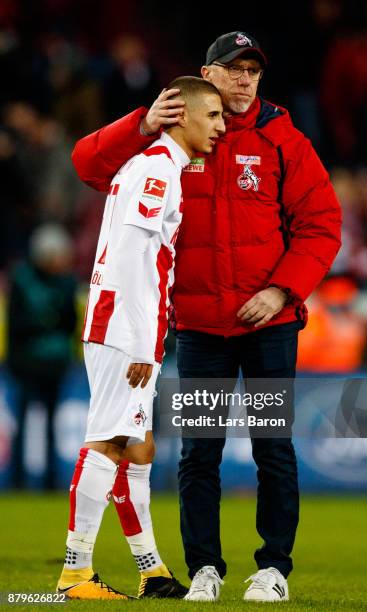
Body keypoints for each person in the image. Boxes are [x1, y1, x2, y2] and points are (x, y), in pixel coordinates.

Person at [71, 31, 342, 602]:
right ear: (206, 75)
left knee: (273, 445)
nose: (244, 81)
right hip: (198, 330)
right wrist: (139, 125)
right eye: (233, 69)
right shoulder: (173, 134)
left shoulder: (283, 140)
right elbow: (89, 167)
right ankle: (204, 568)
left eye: (253, 71)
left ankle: (273, 568)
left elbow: (322, 225)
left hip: (267, 326)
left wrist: (282, 290)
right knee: (199, 450)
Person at [56, 76, 225, 600]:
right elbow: (131, 258)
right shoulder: (156, 171)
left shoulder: (159, 166)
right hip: (123, 329)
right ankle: (75, 573)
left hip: (127, 327)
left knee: (138, 447)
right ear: (184, 115)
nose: (221, 126)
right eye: (214, 114)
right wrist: (137, 345)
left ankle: (151, 571)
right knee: (108, 440)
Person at [7, 223, 77, 489]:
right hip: (26, 364)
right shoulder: (22, 279)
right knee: (22, 424)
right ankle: (17, 481)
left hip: (53, 365)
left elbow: (70, 321)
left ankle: (49, 481)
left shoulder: (67, 282)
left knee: (49, 425)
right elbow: (17, 324)